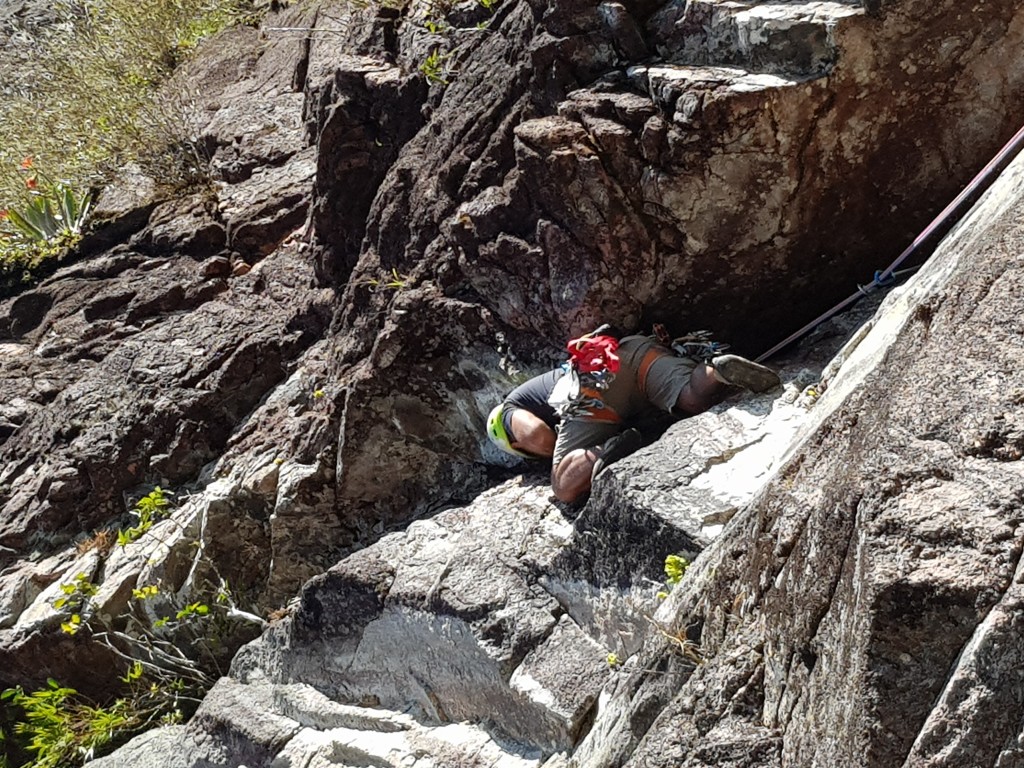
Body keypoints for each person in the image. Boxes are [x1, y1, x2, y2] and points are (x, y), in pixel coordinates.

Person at [486, 331, 780, 503]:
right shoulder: (540, 387)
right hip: (635, 349)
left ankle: (607, 449)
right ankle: (717, 371)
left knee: (564, 486)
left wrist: (554, 453)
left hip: (596, 383)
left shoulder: (509, 409)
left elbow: (538, 436)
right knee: (691, 398)